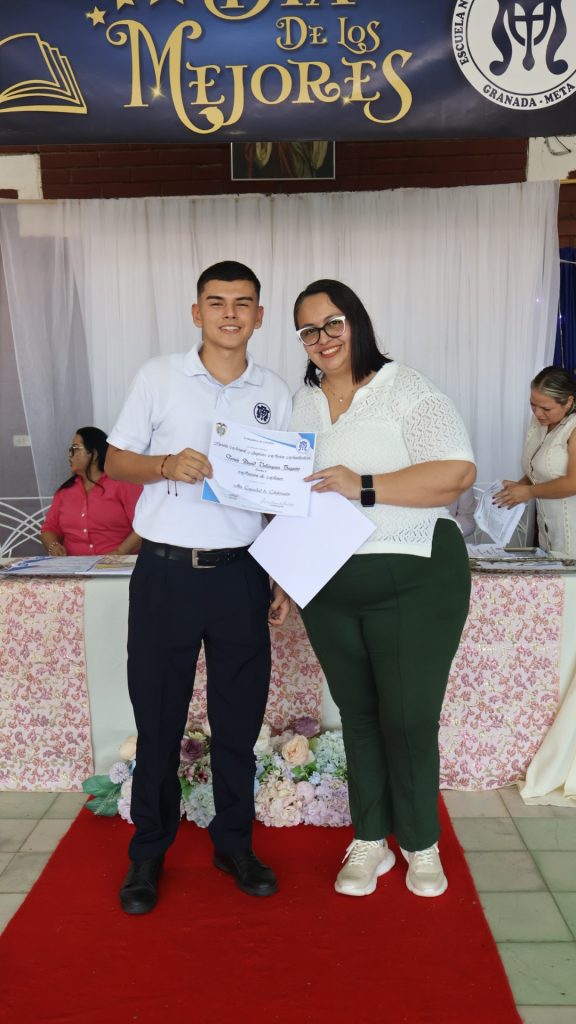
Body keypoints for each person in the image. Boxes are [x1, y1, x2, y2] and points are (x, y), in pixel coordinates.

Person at [105, 261, 291, 914]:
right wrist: (163, 464)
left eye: (243, 303)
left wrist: (281, 574)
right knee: (158, 721)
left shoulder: (275, 392)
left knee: (237, 722)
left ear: (260, 316)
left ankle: (234, 844)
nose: (230, 314)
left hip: (241, 574)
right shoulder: (158, 377)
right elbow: (114, 458)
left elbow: (282, 496)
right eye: (217, 302)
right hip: (165, 573)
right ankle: (148, 853)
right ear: (197, 313)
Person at [289, 279, 476, 899]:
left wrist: (362, 484)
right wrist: (284, 575)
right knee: (358, 716)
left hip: (414, 574)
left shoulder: (405, 388)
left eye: (333, 323)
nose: (323, 338)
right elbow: (290, 498)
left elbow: (456, 473)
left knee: (409, 717)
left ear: (357, 323)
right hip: (327, 583)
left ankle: (421, 842)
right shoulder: (302, 404)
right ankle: (371, 839)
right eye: (309, 330)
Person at [494, 366, 576, 557]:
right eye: (533, 405)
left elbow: (573, 483)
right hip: (548, 534)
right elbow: (540, 467)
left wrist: (528, 492)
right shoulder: (539, 421)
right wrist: (521, 485)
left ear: (568, 401)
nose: (538, 413)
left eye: (546, 408)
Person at [40, 426, 141, 557]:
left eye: (75, 449)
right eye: (70, 450)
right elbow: (49, 529)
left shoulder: (123, 484)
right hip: (74, 565)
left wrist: (118, 553)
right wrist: (53, 546)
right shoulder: (64, 492)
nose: (70, 455)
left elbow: (143, 525)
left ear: (94, 454)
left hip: (117, 563)